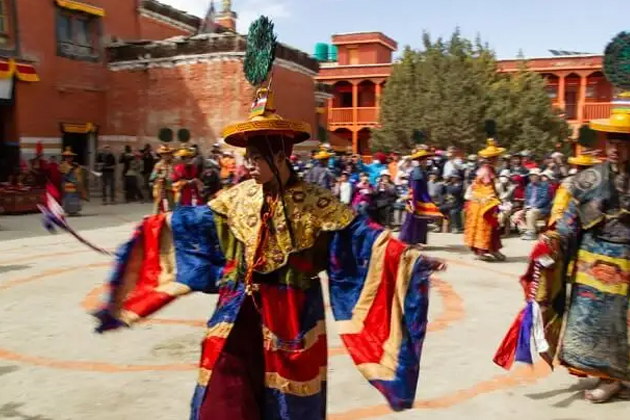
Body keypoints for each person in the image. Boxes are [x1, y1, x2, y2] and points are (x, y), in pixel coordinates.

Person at [90, 80, 446, 420]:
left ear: (280, 157)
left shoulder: (318, 204)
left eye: (256, 158)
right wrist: (149, 232)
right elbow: (192, 224)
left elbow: (363, 240)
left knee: (289, 400)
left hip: (293, 312)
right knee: (223, 387)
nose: (248, 165)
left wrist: (410, 260)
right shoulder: (237, 198)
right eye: (248, 157)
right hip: (237, 309)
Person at [494, 90, 630, 403]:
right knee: (595, 324)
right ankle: (608, 378)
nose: (614, 147)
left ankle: (622, 376)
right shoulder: (588, 181)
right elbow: (569, 223)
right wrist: (551, 241)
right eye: (610, 139)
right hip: (593, 267)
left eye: (622, 141)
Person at [464, 137, 506, 261]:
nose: (499, 160)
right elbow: (487, 188)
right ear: (493, 159)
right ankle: (481, 251)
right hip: (482, 203)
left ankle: (493, 249)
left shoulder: (488, 169)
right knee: (486, 227)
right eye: (497, 157)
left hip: (483, 202)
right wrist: (497, 198)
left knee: (493, 227)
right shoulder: (486, 170)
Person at [399, 147, 442, 247]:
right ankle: (409, 241)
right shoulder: (417, 172)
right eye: (425, 160)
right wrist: (415, 202)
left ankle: (415, 240)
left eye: (427, 160)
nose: (426, 162)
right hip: (416, 199)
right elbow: (415, 189)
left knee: (420, 221)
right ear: (420, 161)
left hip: (420, 198)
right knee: (413, 221)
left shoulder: (421, 171)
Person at [511, 168, 552, 240]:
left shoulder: (545, 185)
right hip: (529, 207)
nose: (532, 177)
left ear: (538, 176)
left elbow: (544, 199)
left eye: (534, 175)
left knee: (530, 213)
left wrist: (534, 206)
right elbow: (526, 199)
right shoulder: (529, 186)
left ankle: (532, 233)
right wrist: (525, 208)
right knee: (516, 215)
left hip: (541, 209)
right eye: (530, 176)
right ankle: (525, 230)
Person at [58, 147, 86, 216]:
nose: (69, 158)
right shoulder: (62, 165)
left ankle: (74, 211)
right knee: (69, 198)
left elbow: (77, 172)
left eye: (70, 157)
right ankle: (69, 211)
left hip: (75, 184)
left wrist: (79, 168)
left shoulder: (75, 164)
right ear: (65, 158)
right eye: (67, 157)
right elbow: (64, 174)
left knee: (75, 198)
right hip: (68, 183)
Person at [149, 145, 175, 214]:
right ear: (161, 155)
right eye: (164, 154)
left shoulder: (173, 164)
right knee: (158, 204)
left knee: (172, 204)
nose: (166, 156)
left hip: (171, 187)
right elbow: (153, 176)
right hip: (161, 187)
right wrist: (159, 176)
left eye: (168, 154)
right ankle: (156, 218)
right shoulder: (158, 165)